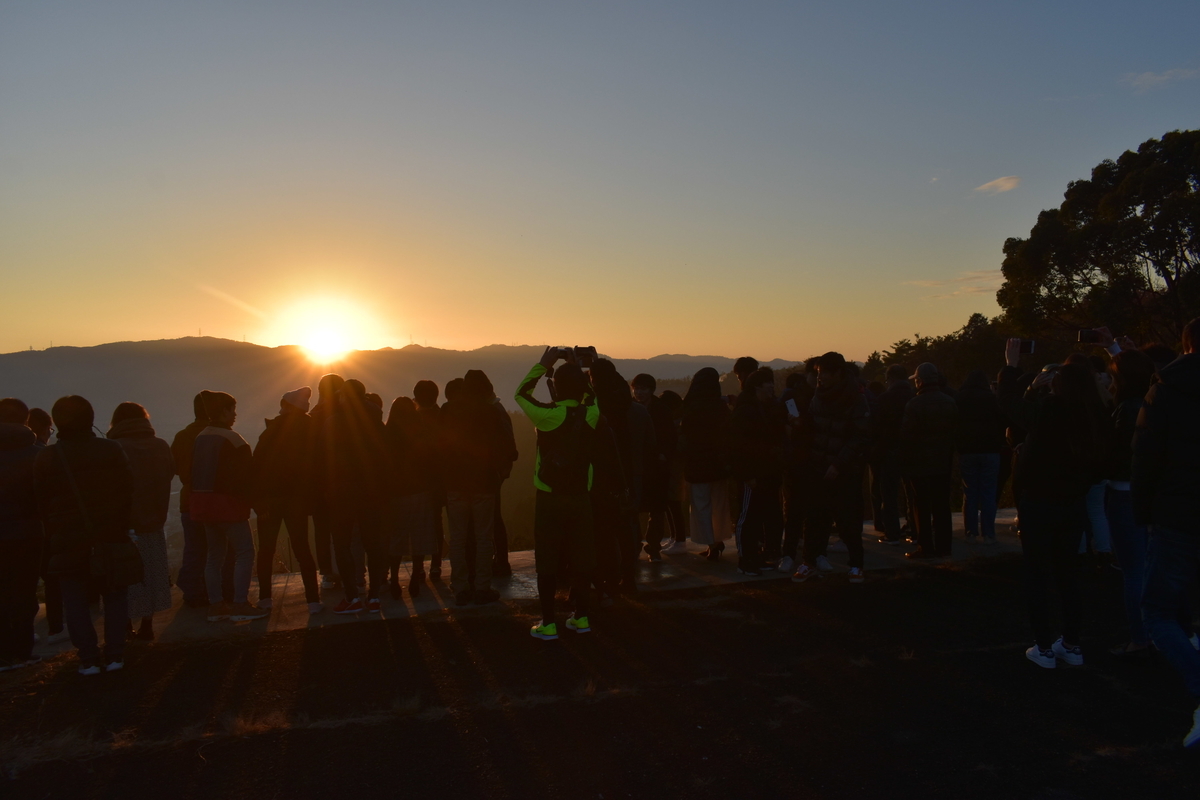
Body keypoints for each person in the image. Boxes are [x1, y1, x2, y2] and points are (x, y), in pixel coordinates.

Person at [999, 341, 1107, 670]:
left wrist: (1016, 371)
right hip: (1072, 502)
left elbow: (1009, 405)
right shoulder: (1096, 416)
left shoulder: (1050, 410)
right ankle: (1071, 644)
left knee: (1037, 574)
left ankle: (1043, 647)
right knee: (1068, 575)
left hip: (1039, 502)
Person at [1133, 318, 1200, 748]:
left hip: (1179, 514)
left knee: (1156, 612)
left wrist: (1144, 512)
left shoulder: (1165, 389)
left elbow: (1145, 457)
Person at [34, 396, 134, 674]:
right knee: (114, 594)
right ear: (91, 419)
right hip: (111, 533)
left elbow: (41, 502)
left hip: (66, 538)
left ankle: (88, 658)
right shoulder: (111, 450)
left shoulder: (47, 457)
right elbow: (127, 491)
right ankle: (115, 655)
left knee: (75, 600)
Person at [515, 348, 600, 640]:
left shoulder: (547, 416)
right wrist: (579, 368)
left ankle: (548, 623)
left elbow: (521, 393)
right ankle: (581, 617)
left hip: (549, 498)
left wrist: (543, 365)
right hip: (580, 498)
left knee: (547, 560)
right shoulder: (591, 414)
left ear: (557, 387)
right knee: (582, 558)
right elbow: (591, 394)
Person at [1102, 349, 1162, 657]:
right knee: (1153, 567)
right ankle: (1163, 632)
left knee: (1133, 571)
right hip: (1152, 493)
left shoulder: (1125, 409)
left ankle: (1140, 637)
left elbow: (1116, 454)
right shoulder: (1156, 402)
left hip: (1125, 492)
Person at [191, 390, 268, 622]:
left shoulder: (201, 436)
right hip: (229, 506)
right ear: (223, 411)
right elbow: (246, 479)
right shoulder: (234, 440)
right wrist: (258, 506)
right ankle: (239, 604)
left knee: (214, 556)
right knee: (245, 552)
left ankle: (216, 606)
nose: (235, 414)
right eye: (232, 409)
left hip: (203, 505)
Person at [793, 353, 870, 584]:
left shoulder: (856, 398)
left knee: (848, 519)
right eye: (819, 373)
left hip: (845, 470)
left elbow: (860, 437)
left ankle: (856, 565)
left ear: (838, 373)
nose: (821, 378)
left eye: (825, 373)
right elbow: (815, 427)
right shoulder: (819, 395)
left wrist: (839, 464)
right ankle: (809, 562)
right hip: (818, 465)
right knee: (815, 517)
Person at [322, 380, 392, 614]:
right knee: (373, 545)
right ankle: (373, 598)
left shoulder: (333, 423)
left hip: (342, 492)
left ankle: (352, 597)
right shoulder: (376, 421)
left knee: (343, 545)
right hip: (372, 492)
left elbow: (325, 458)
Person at [107, 402, 174, 640]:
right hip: (154, 522)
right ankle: (148, 624)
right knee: (153, 573)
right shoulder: (161, 446)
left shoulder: (114, 448)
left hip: (123, 526)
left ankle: (126, 624)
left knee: (127, 577)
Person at [253, 387, 322, 614]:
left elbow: (256, 466)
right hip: (298, 500)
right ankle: (312, 600)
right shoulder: (311, 430)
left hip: (269, 500)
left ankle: (265, 598)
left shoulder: (271, 431)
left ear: (285, 406)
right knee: (302, 549)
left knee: (266, 549)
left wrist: (258, 502)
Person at [441, 372, 505, 606]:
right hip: (484, 483)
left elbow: (440, 445)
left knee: (457, 539)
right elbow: (500, 446)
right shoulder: (489, 412)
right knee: (483, 538)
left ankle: (460, 588)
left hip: (455, 483)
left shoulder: (448, 411)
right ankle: (482, 587)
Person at [591, 359, 655, 588]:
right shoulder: (637, 410)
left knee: (604, 529)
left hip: (602, 478)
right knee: (628, 525)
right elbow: (650, 445)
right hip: (633, 475)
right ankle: (629, 574)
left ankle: (608, 576)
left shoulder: (595, 411)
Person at [171, 393, 231, 608]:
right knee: (220, 550)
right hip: (219, 501)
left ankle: (192, 591)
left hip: (190, 501)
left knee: (194, 548)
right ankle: (221, 591)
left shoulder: (181, 437)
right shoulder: (223, 435)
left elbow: (176, 469)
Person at [0, 398, 43, 672]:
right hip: (29, 532)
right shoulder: (38, 454)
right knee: (25, 591)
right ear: (26, 420)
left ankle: (2, 654)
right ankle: (23, 650)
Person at [900, 363, 959, 558]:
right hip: (943, 462)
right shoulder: (950, 402)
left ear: (920, 381)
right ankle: (945, 547)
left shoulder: (914, 405)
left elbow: (907, 437)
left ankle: (925, 547)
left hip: (919, 464)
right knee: (942, 505)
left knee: (921, 506)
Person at [730, 367, 785, 575]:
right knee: (748, 517)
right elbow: (737, 447)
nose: (772, 386)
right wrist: (747, 475)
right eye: (767, 383)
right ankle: (745, 560)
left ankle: (757, 557)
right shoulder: (746, 411)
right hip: (752, 474)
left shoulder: (769, 408)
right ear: (757, 386)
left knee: (761, 515)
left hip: (768, 473)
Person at [465, 370, 519, 577]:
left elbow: (508, 445)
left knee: (492, 518)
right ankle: (499, 561)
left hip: (491, 473)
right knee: (493, 517)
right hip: (493, 472)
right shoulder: (494, 408)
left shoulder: (493, 410)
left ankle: (500, 562)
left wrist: (500, 469)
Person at [681, 368, 732, 560]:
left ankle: (711, 543)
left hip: (697, 465)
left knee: (701, 505)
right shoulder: (720, 407)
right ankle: (718, 541)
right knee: (719, 505)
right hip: (719, 465)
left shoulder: (691, 406)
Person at [956, 370, 1007, 545]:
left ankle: (970, 531)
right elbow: (1002, 421)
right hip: (990, 451)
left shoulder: (960, 398)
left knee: (969, 493)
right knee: (988, 493)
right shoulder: (992, 399)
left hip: (967, 451)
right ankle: (989, 533)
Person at [631, 373, 678, 557]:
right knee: (633, 509)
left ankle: (653, 546)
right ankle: (634, 545)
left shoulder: (661, 411)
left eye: (643, 389)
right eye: (636, 388)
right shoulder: (628, 408)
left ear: (651, 390)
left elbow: (670, 438)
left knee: (656, 509)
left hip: (656, 467)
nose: (639, 392)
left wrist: (663, 455)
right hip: (636, 465)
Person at [310, 373, 346, 590]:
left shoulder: (314, 415)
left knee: (322, 528)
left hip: (318, 482)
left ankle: (327, 572)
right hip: (341, 481)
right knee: (343, 528)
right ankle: (345, 570)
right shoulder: (345, 415)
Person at [872, 365, 914, 545]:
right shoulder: (915, 396)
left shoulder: (884, 399)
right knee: (912, 493)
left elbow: (877, 427)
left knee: (889, 494)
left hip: (889, 451)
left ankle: (892, 532)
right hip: (913, 450)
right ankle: (914, 527)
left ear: (891, 379)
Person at [413, 380, 447, 580]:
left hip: (419, 480)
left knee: (419, 524)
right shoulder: (444, 417)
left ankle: (418, 567)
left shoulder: (413, 420)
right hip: (442, 479)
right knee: (437, 522)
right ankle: (436, 565)